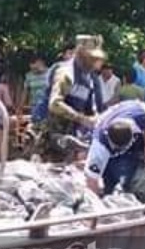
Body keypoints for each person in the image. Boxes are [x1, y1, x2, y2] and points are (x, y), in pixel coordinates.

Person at [30, 34, 107, 162]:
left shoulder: (90, 79)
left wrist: (96, 120)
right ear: (81, 55)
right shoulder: (65, 73)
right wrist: (81, 118)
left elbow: (92, 109)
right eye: (92, 58)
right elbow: (55, 104)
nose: (95, 62)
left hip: (69, 135)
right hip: (47, 133)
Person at [83, 100, 145, 197]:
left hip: (130, 108)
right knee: (110, 176)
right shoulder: (99, 146)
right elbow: (91, 182)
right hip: (103, 137)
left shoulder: (143, 114)